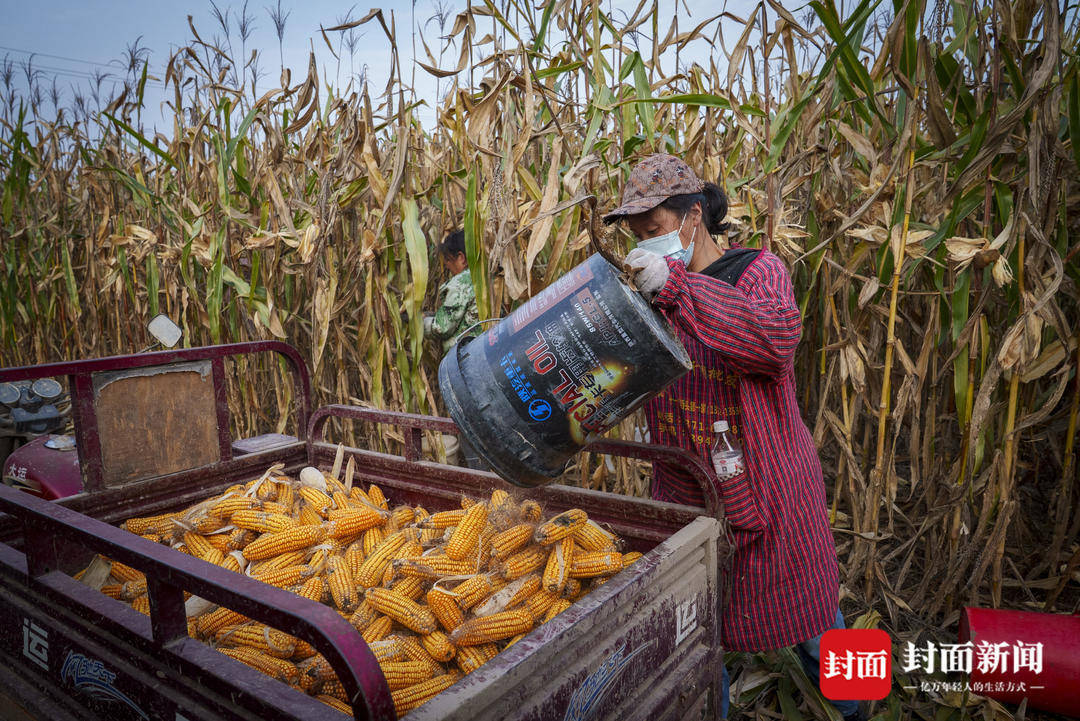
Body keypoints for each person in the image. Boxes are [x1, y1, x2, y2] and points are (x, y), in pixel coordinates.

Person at [604, 154, 864, 721]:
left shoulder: (758, 272)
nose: (646, 248)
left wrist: (678, 287)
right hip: (688, 494)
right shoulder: (648, 297)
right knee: (696, 638)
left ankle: (861, 707)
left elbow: (772, 342)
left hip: (773, 495)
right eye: (638, 238)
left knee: (817, 620)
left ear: (693, 217)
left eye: (655, 233)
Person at [423, 230, 480, 355]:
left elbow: (442, 327)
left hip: (468, 357)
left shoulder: (463, 281)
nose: (447, 266)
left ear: (461, 258)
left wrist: (419, 322)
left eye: (448, 260)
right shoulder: (485, 278)